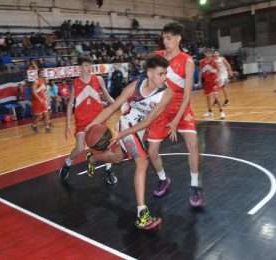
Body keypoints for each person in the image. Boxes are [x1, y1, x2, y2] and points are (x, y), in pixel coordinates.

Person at [86, 55, 173, 230]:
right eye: (160, 74)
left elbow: (148, 122)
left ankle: (93, 158)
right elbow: (112, 107)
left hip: (136, 130)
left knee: (118, 158)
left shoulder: (166, 94)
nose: (164, 77)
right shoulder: (134, 87)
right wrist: (92, 125)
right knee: (142, 162)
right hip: (126, 125)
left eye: (166, 73)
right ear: (149, 73)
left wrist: (122, 134)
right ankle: (142, 214)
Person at [146, 22, 204, 208]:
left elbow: (187, 95)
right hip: (161, 109)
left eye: (169, 38)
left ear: (178, 38)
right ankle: (164, 179)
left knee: (193, 144)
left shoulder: (187, 61)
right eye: (163, 37)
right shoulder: (157, 57)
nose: (165, 41)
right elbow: (149, 84)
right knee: (151, 152)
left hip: (181, 108)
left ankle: (195, 185)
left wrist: (176, 120)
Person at [58, 56, 117, 185]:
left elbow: (107, 96)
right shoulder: (75, 83)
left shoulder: (98, 79)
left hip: (98, 120)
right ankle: (67, 164)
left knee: (105, 147)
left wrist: (120, 104)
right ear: (80, 67)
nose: (88, 68)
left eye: (90, 65)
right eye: (85, 65)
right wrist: (67, 124)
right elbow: (70, 105)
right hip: (82, 122)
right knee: (79, 148)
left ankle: (109, 171)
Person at [201, 49, 226, 119]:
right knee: (208, 97)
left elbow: (218, 70)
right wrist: (201, 80)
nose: (208, 54)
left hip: (213, 81)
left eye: (210, 53)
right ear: (205, 53)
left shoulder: (214, 61)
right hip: (206, 82)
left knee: (216, 97)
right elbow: (201, 71)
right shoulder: (202, 62)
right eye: (207, 53)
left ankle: (222, 112)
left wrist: (217, 76)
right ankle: (210, 111)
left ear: (211, 54)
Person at [31, 69, 51, 133]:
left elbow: (44, 91)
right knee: (40, 116)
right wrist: (40, 99)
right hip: (37, 100)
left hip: (43, 100)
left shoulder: (43, 81)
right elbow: (34, 92)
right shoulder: (36, 81)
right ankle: (34, 125)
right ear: (39, 74)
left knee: (46, 113)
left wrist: (46, 99)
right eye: (41, 73)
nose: (42, 74)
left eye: (43, 73)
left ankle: (47, 127)